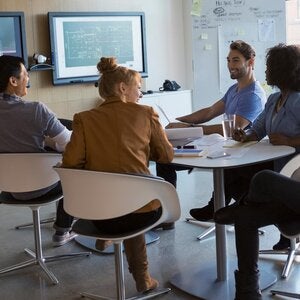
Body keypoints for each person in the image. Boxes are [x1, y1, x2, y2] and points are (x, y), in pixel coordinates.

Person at [61, 57, 174, 293]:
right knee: (135, 200)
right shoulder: (146, 114)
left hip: (95, 213)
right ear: (122, 88)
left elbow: (71, 162)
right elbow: (166, 156)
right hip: (140, 213)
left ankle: (108, 235)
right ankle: (142, 278)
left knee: (121, 199)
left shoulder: (83, 119)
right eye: (138, 88)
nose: (141, 95)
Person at [214, 43, 300, 300]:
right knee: (246, 217)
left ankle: (240, 203)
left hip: (295, 184)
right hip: (285, 190)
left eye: (269, 65)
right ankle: (248, 292)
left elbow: (284, 138)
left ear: (282, 69)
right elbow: (259, 128)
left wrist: (289, 141)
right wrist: (246, 134)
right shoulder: (273, 99)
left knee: (261, 178)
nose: (265, 69)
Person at [156, 40, 266, 224]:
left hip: (236, 153)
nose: (230, 65)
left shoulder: (253, 95)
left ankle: (213, 206)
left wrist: (190, 129)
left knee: (170, 160)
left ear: (250, 62)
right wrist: (180, 120)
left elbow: (233, 129)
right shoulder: (235, 89)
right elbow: (209, 112)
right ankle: (165, 215)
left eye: (236, 60)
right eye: (229, 60)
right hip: (219, 147)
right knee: (165, 160)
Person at [0, 55, 75, 247]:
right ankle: (62, 231)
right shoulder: (37, 110)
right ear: (13, 80)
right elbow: (69, 146)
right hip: (42, 185)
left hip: (9, 187)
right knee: (76, 173)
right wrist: (51, 142)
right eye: (25, 74)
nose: (28, 79)